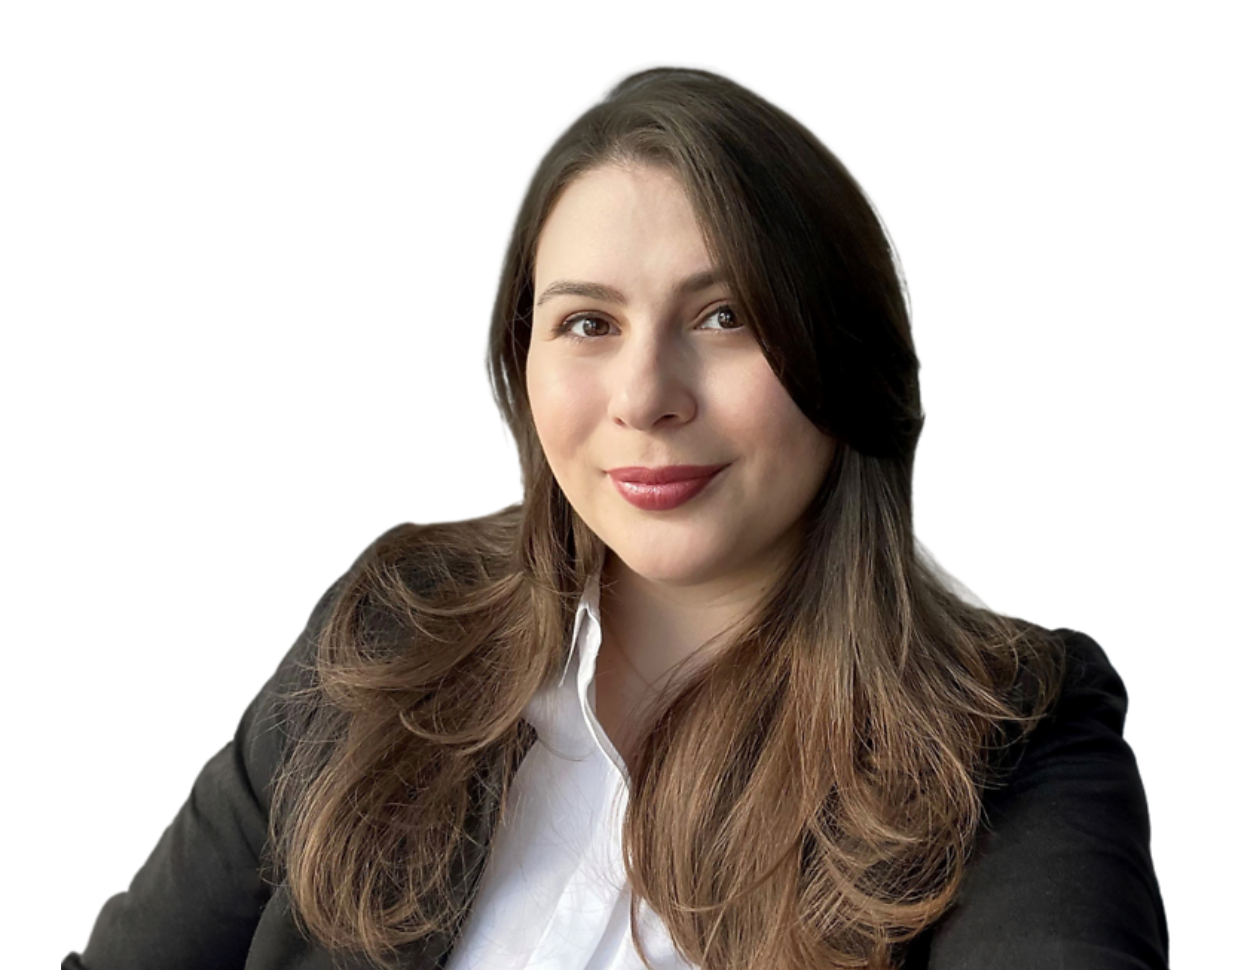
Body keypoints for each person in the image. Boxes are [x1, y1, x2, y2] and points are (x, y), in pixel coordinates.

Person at [63, 61, 1168, 970]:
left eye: (725, 315)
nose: (645, 396)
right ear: (521, 362)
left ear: (843, 356)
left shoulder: (1011, 736)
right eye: (587, 324)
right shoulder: (390, 626)